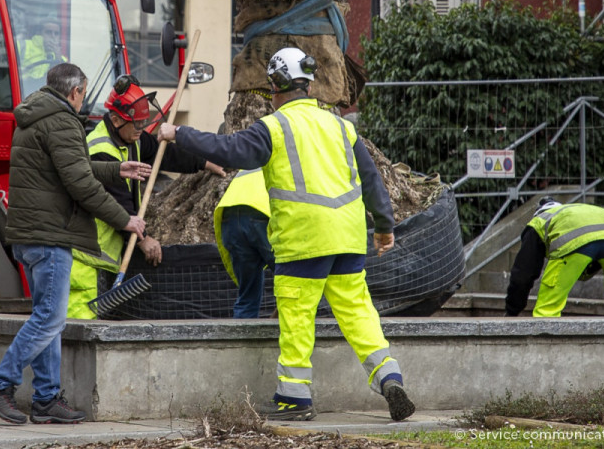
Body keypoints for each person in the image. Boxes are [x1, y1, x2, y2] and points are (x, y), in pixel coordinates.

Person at [158, 47, 416, 423]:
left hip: (303, 239)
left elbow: (228, 151)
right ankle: (389, 376)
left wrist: (178, 132)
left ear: (274, 88)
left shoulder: (274, 127)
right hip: (347, 236)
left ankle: (294, 398)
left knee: (297, 317)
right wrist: (384, 227)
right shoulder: (342, 126)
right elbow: (371, 178)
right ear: (309, 84)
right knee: (358, 312)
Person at [0, 63, 152, 425]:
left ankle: (46, 398)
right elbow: (80, 185)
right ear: (74, 92)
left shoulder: (37, 114)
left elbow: (72, 168)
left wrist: (116, 170)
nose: (83, 100)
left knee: (48, 320)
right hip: (50, 233)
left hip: (30, 233)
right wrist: (125, 219)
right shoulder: (62, 121)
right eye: (83, 93)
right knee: (50, 318)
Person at [67, 74, 224, 318]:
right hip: (85, 258)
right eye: (137, 124)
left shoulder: (132, 139)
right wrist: (144, 240)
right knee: (77, 328)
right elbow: (118, 205)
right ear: (117, 119)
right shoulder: (100, 151)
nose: (142, 129)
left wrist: (204, 162)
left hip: (104, 256)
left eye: (144, 122)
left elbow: (167, 154)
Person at [504, 197, 604, 318]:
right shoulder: (580, 210)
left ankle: (545, 343)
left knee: (548, 308)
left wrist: (512, 311)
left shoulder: (539, 222)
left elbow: (523, 272)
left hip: (575, 240)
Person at [213, 167, 274, 318]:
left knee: (248, 296)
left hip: (230, 217)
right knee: (295, 281)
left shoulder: (252, 161)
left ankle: (242, 340)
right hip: (262, 212)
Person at [20, 17, 68, 93]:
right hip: (21, 91)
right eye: (48, 32)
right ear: (40, 33)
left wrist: (58, 58)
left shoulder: (61, 60)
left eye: (56, 33)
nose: (53, 36)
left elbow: (63, 86)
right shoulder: (23, 46)